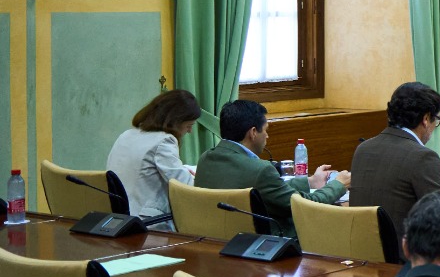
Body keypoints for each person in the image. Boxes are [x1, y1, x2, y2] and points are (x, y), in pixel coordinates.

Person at [193, 99, 348, 237]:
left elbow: (269, 189)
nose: (267, 136)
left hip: (215, 242)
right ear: (253, 133)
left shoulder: (206, 159)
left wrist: (310, 182)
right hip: (268, 247)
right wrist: (338, 184)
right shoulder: (261, 170)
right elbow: (306, 206)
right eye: (265, 130)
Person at [348, 81, 440, 232]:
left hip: (359, 252)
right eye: (437, 120)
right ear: (426, 119)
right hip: (403, 253)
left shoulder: (363, 149)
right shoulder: (424, 157)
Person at [105, 89, 201, 222]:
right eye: (189, 125)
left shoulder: (126, 135)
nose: (190, 131)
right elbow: (185, 187)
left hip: (116, 218)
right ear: (175, 120)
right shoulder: (164, 141)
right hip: (148, 223)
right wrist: (197, 178)